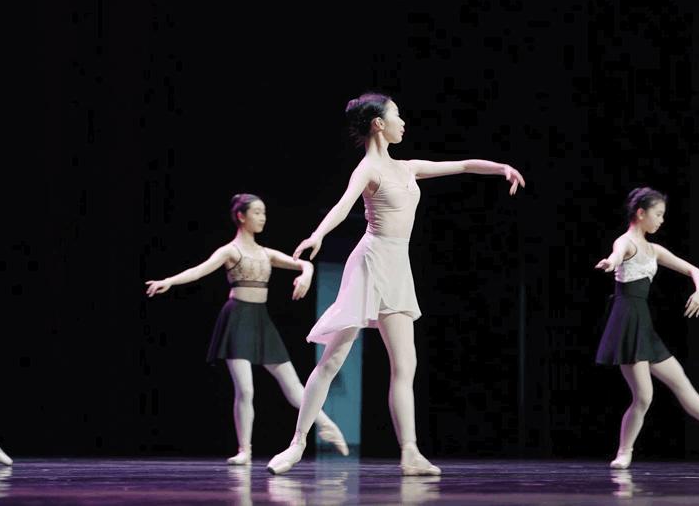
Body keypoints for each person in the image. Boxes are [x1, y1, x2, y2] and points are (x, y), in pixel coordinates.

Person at [266, 92, 525, 475]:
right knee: (333, 358)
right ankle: (297, 444)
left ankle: (410, 452)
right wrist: (318, 234)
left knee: (406, 364)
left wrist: (501, 167)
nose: (403, 123)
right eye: (397, 116)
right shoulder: (368, 169)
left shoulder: (407, 167)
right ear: (379, 124)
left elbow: (463, 165)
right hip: (370, 262)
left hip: (398, 267)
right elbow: (343, 205)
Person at [145, 194, 348, 464]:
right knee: (246, 390)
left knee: (293, 385)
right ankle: (245, 450)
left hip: (261, 320)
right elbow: (199, 270)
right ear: (241, 216)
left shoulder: (265, 253)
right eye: (257, 212)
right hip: (237, 319)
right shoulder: (230, 251)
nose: (263, 217)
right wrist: (169, 281)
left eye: (264, 212)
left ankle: (326, 425)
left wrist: (306, 275)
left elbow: (304, 263)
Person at [594, 187, 699, 469]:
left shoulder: (654, 250)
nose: (661, 220)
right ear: (640, 213)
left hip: (644, 326)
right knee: (644, 396)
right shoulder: (626, 242)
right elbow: (617, 255)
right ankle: (624, 452)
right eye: (658, 214)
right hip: (627, 323)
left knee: (682, 386)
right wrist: (610, 262)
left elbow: (694, 270)